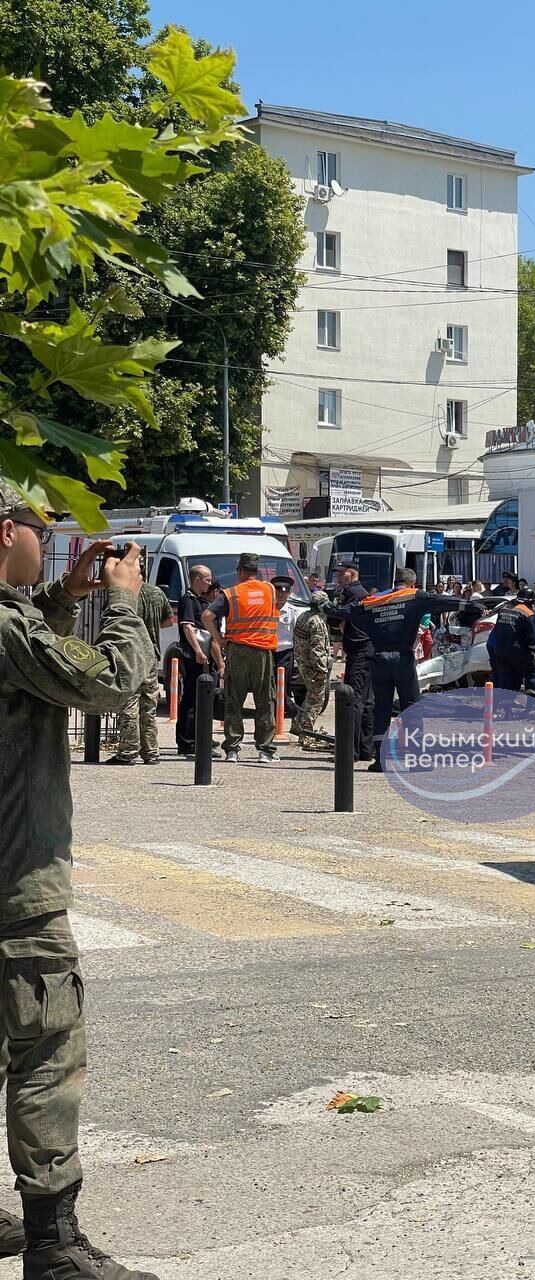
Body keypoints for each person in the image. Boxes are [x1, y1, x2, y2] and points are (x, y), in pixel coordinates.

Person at [0, 484, 158, 1280]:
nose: (47, 539)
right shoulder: (3, 624)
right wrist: (125, 604)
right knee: (46, 1049)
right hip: (13, 886)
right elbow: (108, 682)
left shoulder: (16, 623)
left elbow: (29, 672)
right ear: (5, 532)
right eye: (41, 529)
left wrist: (63, 596)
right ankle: (54, 1246)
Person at [327, 569, 461, 771]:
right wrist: (475, 606)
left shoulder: (376, 599)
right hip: (402, 658)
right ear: (413, 583)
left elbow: (346, 612)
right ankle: (416, 760)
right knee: (411, 707)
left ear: (395, 582)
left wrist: (323, 605)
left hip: (378, 658)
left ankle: (381, 760)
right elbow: (444, 602)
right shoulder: (414, 596)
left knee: (381, 708)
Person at [202, 552, 278, 763]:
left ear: (239, 570)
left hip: (238, 650)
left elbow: (207, 616)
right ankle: (265, 750)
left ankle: (233, 749)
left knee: (234, 699)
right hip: (263, 652)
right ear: (257, 570)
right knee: (265, 700)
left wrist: (219, 639)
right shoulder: (270, 589)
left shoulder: (231, 593)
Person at [107, 577, 173, 765]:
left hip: (129, 653)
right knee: (149, 705)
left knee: (129, 701)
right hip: (150, 653)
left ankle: (128, 751)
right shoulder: (156, 593)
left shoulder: (122, 595)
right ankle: (151, 752)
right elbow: (169, 621)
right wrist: (150, 626)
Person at [333, 561, 375, 762]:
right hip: (365, 650)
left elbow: (339, 618)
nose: (338, 577)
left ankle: (351, 751)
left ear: (352, 574)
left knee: (353, 701)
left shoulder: (352, 593)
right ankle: (365, 749)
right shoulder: (360, 592)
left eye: (341, 574)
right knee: (366, 702)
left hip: (358, 651)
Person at [175, 563, 216, 758]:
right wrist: (199, 651)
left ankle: (200, 739)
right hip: (193, 657)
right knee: (191, 699)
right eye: (207, 579)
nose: (209, 583)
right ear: (197, 580)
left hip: (202, 656)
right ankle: (187, 742)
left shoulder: (201, 601)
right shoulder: (188, 600)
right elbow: (188, 628)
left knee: (202, 700)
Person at [291, 590, 331, 748]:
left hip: (302, 662)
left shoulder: (303, 617)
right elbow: (317, 649)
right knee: (316, 700)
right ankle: (306, 733)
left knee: (310, 697)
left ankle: (297, 725)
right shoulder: (317, 622)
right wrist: (321, 669)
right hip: (313, 666)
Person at [487, 587, 535, 691]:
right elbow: (532, 638)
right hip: (517, 652)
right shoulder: (528, 613)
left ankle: (506, 705)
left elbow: (497, 630)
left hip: (500, 651)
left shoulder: (505, 609)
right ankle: (533, 701)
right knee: (532, 672)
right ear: (531, 602)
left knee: (507, 681)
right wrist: (534, 652)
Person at [272, 575, 301, 721]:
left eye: (284, 591)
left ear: (289, 593)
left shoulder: (293, 612)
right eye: (278, 591)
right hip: (268, 651)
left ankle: (297, 714)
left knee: (282, 688)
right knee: (270, 688)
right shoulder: (267, 609)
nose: (281, 594)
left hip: (285, 653)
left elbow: (297, 635)